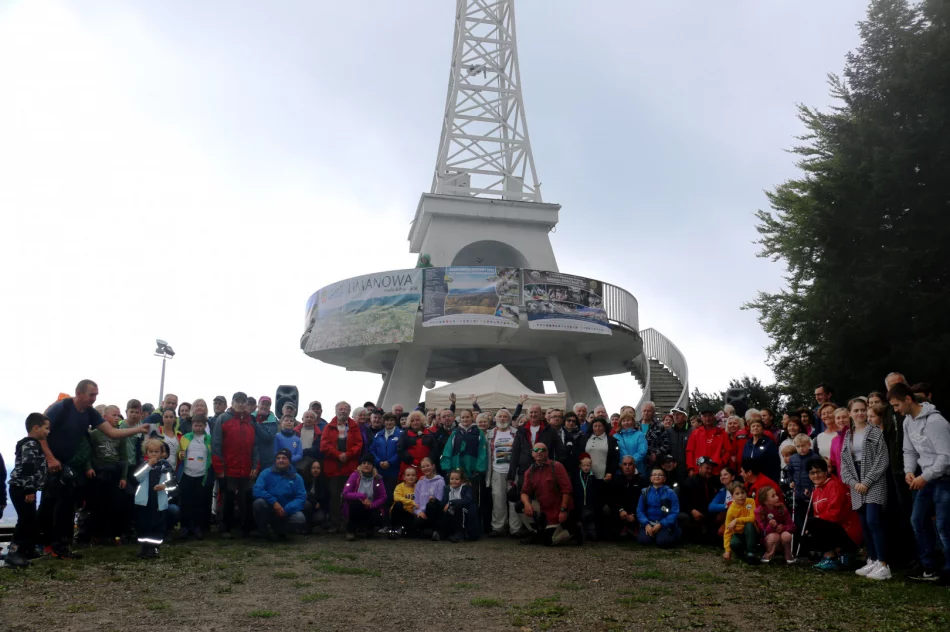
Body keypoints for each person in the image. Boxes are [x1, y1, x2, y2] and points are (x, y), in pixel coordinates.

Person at [40, 380, 148, 559]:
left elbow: (112, 433)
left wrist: (138, 429)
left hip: (70, 465)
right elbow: (39, 431)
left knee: (65, 505)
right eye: (91, 394)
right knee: (48, 504)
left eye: (96, 395)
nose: (94, 398)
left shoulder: (89, 413)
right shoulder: (62, 407)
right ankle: (39, 545)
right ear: (79, 393)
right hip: (52, 462)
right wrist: (50, 459)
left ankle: (60, 547)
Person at [888, 382, 950, 584]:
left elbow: (945, 457)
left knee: (943, 526)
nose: (895, 410)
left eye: (897, 405)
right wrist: (908, 471)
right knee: (917, 520)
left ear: (908, 399)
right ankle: (929, 567)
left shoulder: (935, 422)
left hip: (944, 479)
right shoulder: (907, 421)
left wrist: (925, 476)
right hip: (925, 477)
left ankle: (947, 570)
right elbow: (910, 451)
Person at [839, 397, 891, 580]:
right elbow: (844, 463)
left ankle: (884, 564)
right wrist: (854, 483)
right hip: (856, 483)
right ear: (850, 413)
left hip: (873, 481)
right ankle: (873, 559)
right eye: (856, 410)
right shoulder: (848, 435)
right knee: (864, 524)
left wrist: (867, 481)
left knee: (874, 521)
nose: (860, 413)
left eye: (863, 410)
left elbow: (882, 460)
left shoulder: (875, 432)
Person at [5, 413, 51, 568]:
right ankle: (14, 553)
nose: (47, 432)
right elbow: (27, 467)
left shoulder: (33, 444)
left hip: (24, 488)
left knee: (30, 519)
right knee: (25, 520)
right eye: (46, 428)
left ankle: (27, 550)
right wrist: (30, 490)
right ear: (36, 428)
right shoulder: (30, 444)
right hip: (22, 488)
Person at [211, 392, 260, 539]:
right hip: (228, 467)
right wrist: (219, 467)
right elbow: (216, 444)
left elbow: (255, 446)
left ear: (246, 404)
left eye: (243, 401)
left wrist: (255, 466)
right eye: (237, 401)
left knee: (247, 497)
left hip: (246, 468)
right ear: (232, 403)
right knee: (228, 498)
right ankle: (225, 527)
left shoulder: (251, 420)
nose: (240, 404)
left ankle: (247, 528)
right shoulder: (223, 418)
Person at [805, 457, 862, 571]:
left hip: (848, 530)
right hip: (836, 528)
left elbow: (835, 514)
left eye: (819, 472)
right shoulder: (816, 490)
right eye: (812, 473)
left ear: (826, 472)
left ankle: (832, 556)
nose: (816, 476)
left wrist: (816, 520)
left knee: (813, 523)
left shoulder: (834, 485)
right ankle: (834, 554)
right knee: (808, 526)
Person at [86, 405, 129, 544]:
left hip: (115, 472)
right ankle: (96, 536)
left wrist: (123, 476)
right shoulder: (95, 434)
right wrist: (88, 467)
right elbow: (88, 453)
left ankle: (114, 535)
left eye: (118, 415)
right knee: (98, 505)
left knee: (115, 504)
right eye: (114, 415)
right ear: (105, 417)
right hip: (98, 473)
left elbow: (124, 457)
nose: (117, 418)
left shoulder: (120, 435)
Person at [519, 443, 577, 546]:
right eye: (536, 450)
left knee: (549, 542)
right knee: (520, 506)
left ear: (547, 453)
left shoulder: (557, 466)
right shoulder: (529, 471)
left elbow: (567, 490)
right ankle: (538, 533)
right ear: (532, 453)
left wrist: (563, 510)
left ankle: (574, 532)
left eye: (543, 450)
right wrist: (527, 504)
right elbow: (524, 492)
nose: (539, 452)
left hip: (557, 509)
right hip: (543, 509)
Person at [320, 402, 364, 532]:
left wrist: (348, 455)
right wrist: (339, 455)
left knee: (349, 496)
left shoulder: (354, 427)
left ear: (349, 411)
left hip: (349, 468)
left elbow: (359, 444)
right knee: (334, 496)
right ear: (335, 411)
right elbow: (324, 445)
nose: (343, 411)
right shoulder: (329, 427)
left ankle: (348, 524)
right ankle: (335, 524)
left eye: (345, 409)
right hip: (333, 468)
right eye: (340, 409)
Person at [133, 438, 178, 559]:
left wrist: (164, 486)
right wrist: (148, 465)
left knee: (157, 526)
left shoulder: (166, 466)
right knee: (143, 525)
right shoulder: (144, 465)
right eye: (151, 451)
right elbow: (137, 477)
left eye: (156, 451)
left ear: (161, 453)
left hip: (158, 503)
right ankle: (144, 547)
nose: (153, 454)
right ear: (146, 453)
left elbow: (173, 483)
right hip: (144, 502)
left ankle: (154, 549)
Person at [251, 448, 307, 539]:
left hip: (286, 512)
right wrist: (273, 502)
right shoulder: (266, 473)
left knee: (300, 518)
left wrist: (286, 509)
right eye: (278, 458)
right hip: (270, 508)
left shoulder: (297, 477)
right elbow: (257, 490)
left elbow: (301, 497)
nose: (281, 460)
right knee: (258, 503)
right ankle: (263, 532)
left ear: (289, 460)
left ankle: (279, 531)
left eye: (284, 458)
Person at [508, 404, 565, 491]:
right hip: (524, 469)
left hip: (544, 469)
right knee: (525, 498)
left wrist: (557, 469)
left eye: (536, 412)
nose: (533, 414)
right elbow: (515, 451)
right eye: (531, 412)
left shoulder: (550, 430)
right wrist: (512, 474)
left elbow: (559, 450)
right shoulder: (521, 430)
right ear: (527, 414)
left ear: (541, 414)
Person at [486, 407, 523, 537]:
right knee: (498, 499)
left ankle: (515, 528)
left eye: (505, 416)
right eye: (500, 416)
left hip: (513, 472)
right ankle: (498, 527)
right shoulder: (490, 434)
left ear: (509, 418)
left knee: (513, 500)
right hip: (497, 471)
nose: (502, 419)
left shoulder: (516, 433)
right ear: (495, 419)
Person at [178, 415, 213, 540]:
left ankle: (198, 527)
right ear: (192, 425)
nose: (198, 428)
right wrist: (180, 454)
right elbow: (180, 452)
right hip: (187, 475)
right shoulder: (185, 437)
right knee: (186, 502)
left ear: (205, 426)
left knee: (200, 503)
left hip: (202, 476)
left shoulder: (209, 438)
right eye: (195, 425)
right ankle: (185, 527)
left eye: (201, 425)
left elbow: (211, 455)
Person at [342, 455, 387, 541]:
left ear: (373, 466)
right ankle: (350, 530)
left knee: (377, 516)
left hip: (371, 507)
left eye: (369, 463)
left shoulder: (378, 478)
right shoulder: (354, 476)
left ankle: (369, 528)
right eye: (364, 463)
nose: (366, 465)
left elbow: (383, 497)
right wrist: (362, 496)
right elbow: (345, 493)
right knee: (355, 504)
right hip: (357, 506)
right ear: (360, 465)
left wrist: (372, 504)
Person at [679, 456, 723, 544]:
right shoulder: (689, 482)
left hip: (712, 514)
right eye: (707, 468)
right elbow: (682, 501)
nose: (710, 471)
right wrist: (692, 511)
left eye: (711, 468)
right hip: (695, 515)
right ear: (699, 467)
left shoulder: (717, 481)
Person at [440, 407, 488, 484]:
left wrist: (479, 470)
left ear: (472, 418)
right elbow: (447, 451)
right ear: (460, 419)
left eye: (467, 417)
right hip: (457, 469)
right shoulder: (455, 433)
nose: (465, 419)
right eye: (463, 417)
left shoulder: (478, 433)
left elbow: (482, 451)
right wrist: (447, 468)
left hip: (473, 470)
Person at [636, 468, 680, 548]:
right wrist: (646, 524)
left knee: (663, 542)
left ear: (664, 479)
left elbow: (675, 511)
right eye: (654, 475)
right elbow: (640, 510)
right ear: (650, 478)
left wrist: (661, 524)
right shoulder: (645, 492)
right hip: (649, 523)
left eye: (660, 475)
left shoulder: (670, 493)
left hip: (664, 524)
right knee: (643, 541)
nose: (657, 476)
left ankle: (674, 533)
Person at [436, 469, 482, 543]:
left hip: (465, 514)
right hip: (452, 513)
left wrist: (451, 502)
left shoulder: (466, 487)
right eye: (452, 479)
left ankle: (461, 533)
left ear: (462, 480)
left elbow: (467, 500)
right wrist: (435, 502)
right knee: (443, 510)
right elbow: (444, 502)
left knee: (457, 507)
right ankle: (442, 532)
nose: (454, 481)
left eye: (457, 479)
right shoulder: (448, 488)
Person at [371, 412, 402, 518]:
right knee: (380, 495)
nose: (389, 422)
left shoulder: (400, 434)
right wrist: (378, 461)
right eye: (387, 420)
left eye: (391, 420)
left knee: (391, 496)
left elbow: (400, 451)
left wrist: (390, 462)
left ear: (395, 421)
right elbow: (372, 450)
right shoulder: (378, 434)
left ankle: (390, 521)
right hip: (380, 470)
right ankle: (381, 521)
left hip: (393, 470)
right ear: (384, 422)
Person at [607, 456, 647, 539]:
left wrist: (635, 515)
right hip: (621, 512)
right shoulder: (617, 480)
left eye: (630, 464)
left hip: (637, 513)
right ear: (622, 466)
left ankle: (634, 527)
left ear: (634, 466)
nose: (627, 467)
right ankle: (623, 528)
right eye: (625, 464)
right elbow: (612, 498)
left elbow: (645, 501)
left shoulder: (643, 481)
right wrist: (620, 510)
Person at [756, 486, 796, 564]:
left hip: (782, 540)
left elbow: (793, 527)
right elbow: (763, 531)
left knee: (786, 535)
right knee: (774, 536)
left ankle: (788, 556)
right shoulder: (759, 511)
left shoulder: (782, 508)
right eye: (773, 496)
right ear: (765, 501)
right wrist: (771, 526)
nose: (777, 497)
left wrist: (782, 527)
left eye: (776, 495)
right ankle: (768, 555)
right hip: (768, 541)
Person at [685, 408, 729, 477]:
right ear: (701, 418)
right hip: (699, 471)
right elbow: (690, 451)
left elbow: (728, 451)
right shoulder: (695, 433)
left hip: (716, 471)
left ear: (714, 417)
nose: (707, 418)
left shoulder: (722, 433)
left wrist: (721, 462)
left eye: (710, 416)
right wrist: (690, 468)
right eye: (705, 416)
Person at [577, 418, 620, 483]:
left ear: (604, 427)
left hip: (604, 476)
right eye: (595, 426)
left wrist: (610, 472)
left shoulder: (612, 440)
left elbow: (615, 458)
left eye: (600, 426)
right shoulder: (584, 439)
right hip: (587, 474)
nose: (597, 428)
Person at [723, 482, 757, 562]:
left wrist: (737, 520)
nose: (741, 496)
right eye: (737, 494)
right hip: (738, 534)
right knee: (734, 543)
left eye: (742, 493)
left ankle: (751, 553)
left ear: (746, 493)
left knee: (749, 525)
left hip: (751, 532)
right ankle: (741, 554)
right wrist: (727, 550)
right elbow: (727, 531)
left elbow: (752, 518)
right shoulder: (731, 510)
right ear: (732, 496)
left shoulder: (751, 502)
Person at [740, 419, 780, 485]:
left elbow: (775, 464)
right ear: (750, 429)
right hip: (749, 480)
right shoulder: (748, 444)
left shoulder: (769, 443)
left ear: (762, 429)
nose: (755, 428)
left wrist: (774, 481)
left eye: (758, 426)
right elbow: (743, 461)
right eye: (753, 426)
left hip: (764, 479)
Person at [574, 454, 603, 541]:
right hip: (580, 502)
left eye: (588, 465)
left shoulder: (593, 477)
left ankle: (593, 536)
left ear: (591, 466)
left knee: (590, 519)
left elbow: (596, 491)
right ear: (580, 466)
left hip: (590, 503)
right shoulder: (577, 477)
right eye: (584, 465)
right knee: (582, 519)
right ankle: (583, 535)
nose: (586, 467)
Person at [415, 457, 446, 537]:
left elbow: (439, 501)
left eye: (428, 466)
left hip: (434, 511)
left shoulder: (440, 482)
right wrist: (419, 512)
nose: (426, 468)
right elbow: (415, 502)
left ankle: (436, 530)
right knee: (415, 523)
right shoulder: (420, 482)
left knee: (431, 504)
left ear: (433, 466)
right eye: (423, 467)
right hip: (423, 513)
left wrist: (433, 500)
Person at [397, 410, 431, 479]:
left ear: (422, 421)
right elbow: (400, 450)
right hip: (409, 466)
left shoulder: (430, 433)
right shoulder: (404, 434)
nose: (415, 422)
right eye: (412, 421)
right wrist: (412, 461)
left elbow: (434, 449)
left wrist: (427, 461)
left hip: (425, 467)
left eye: (417, 420)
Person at [294, 409, 323, 488]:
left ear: (315, 420)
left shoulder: (318, 433)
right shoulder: (295, 431)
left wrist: (303, 452)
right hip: (296, 463)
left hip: (309, 464)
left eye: (311, 417)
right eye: (307, 417)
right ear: (302, 419)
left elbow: (317, 448)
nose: (309, 419)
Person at [389, 466, 419, 537]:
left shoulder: (418, 487)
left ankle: (405, 528)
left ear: (416, 477)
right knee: (398, 504)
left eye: (413, 475)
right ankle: (394, 528)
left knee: (412, 535)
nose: (411, 477)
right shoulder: (400, 486)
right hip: (399, 512)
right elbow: (396, 497)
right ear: (404, 477)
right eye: (408, 475)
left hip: (410, 514)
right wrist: (411, 502)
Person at [252, 395, 280, 473]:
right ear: (258, 405)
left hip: (267, 460)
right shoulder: (250, 417)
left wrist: (256, 425)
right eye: (262, 404)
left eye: (267, 405)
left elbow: (269, 437)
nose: (264, 406)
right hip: (251, 458)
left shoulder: (273, 421)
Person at [666, 408, 692, 487]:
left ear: (685, 417)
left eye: (679, 414)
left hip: (686, 469)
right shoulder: (668, 431)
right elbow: (666, 448)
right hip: (671, 469)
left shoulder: (692, 431)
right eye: (674, 414)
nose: (676, 416)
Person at [708, 466, 737, 536]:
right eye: (721, 475)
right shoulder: (722, 491)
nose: (722, 477)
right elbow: (711, 507)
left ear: (733, 477)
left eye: (725, 474)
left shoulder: (739, 488)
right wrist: (727, 506)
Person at [304, 460, 330, 532]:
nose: (316, 470)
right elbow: (303, 494)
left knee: (320, 518)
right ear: (309, 469)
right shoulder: (304, 479)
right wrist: (314, 501)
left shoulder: (323, 481)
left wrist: (312, 498)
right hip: (307, 504)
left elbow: (323, 497)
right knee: (307, 504)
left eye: (318, 468)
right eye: (313, 468)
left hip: (318, 507)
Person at [828, 407, 851, 475]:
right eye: (838, 418)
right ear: (835, 420)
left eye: (844, 417)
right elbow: (834, 463)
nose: (841, 420)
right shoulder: (834, 440)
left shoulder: (855, 435)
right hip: (841, 479)